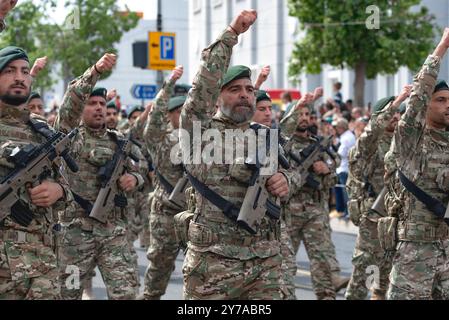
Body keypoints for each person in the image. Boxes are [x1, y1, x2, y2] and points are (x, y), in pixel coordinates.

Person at [179, 10, 299, 300]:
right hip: (213, 264)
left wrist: (285, 179)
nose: (245, 94)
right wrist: (231, 34)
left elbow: (291, 173)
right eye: (234, 89)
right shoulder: (199, 129)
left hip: (265, 261)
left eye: (249, 89)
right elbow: (203, 85)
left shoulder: (264, 135)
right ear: (218, 97)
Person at [54, 53, 143, 300]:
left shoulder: (120, 142)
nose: (98, 108)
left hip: (112, 230)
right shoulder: (69, 138)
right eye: (91, 104)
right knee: (67, 293)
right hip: (75, 232)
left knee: (126, 293)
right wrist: (94, 71)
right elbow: (68, 105)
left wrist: (134, 180)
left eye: (102, 104)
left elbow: (140, 170)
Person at [0, 46, 72, 299]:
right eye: (9, 71)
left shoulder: (42, 129)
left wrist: (58, 190)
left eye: (24, 71)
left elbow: (69, 193)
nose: (19, 77)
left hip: (41, 267)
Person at [383, 28, 449, 300]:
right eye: (442, 100)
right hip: (415, 252)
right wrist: (442, 47)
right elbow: (419, 93)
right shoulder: (411, 138)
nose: (448, 105)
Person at [345, 85, 411, 300]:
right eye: (392, 113)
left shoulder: (403, 141)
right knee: (368, 267)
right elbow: (372, 131)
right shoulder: (369, 144)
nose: (396, 117)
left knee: (390, 268)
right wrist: (398, 99)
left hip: (399, 216)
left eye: (398, 113)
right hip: (375, 215)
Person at [141, 65, 186, 300]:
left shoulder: (202, 139)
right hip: (165, 215)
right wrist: (168, 84)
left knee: (203, 272)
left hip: (196, 216)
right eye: (179, 111)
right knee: (160, 267)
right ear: (169, 115)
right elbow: (154, 117)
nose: (184, 115)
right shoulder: (160, 140)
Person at [331, 118, 356, 218]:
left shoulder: (346, 138)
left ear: (341, 128)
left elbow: (340, 154)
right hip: (345, 168)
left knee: (345, 192)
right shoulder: (349, 136)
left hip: (343, 168)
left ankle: (347, 212)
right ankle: (346, 211)